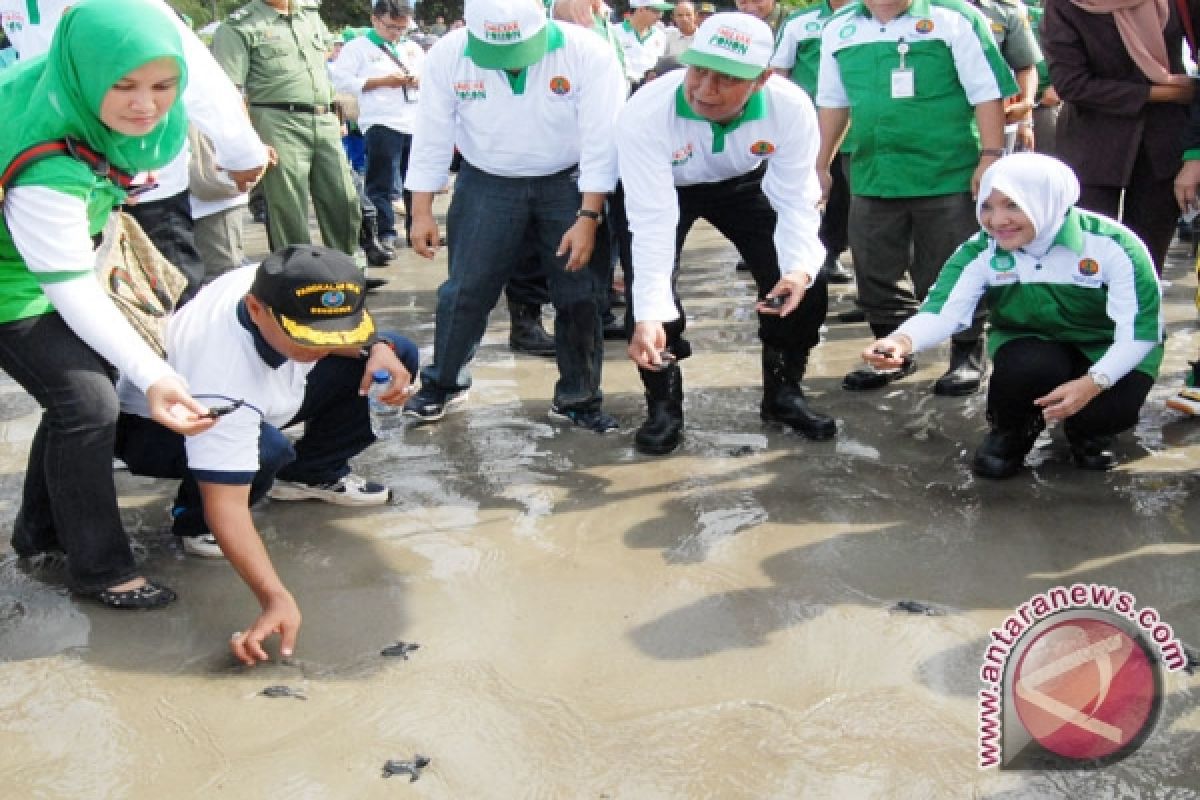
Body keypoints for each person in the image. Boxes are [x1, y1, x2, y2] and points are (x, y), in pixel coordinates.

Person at [0, 0, 217, 609]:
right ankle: (100, 568)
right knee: (88, 399)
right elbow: (66, 283)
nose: (145, 104)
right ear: (86, 76)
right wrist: (156, 374)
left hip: (44, 253)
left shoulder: (72, 82)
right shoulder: (46, 163)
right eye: (123, 86)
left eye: (162, 85)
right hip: (14, 279)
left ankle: (40, 533)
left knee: (84, 385)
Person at [115, 245, 417, 664]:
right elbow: (229, 506)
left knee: (397, 351)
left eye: (337, 333)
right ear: (255, 309)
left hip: (265, 394)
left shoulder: (288, 280)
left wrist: (377, 348)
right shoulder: (219, 373)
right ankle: (191, 521)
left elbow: (346, 334)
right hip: (156, 427)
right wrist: (274, 597)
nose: (324, 346)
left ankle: (312, 473)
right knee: (264, 450)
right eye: (309, 336)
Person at [862, 154, 1164, 478]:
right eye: (987, 207)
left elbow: (1141, 331)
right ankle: (1011, 431)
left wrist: (1093, 383)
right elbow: (942, 310)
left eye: (1013, 206)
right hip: (1033, 342)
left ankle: (1089, 434)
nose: (997, 221)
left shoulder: (1112, 245)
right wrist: (900, 342)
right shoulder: (982, 249)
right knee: (1027, 369)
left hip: (1107, 345)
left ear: (1047, 201)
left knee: (1105, 410)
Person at [402, 0, 626, 433]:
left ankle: (578, 397)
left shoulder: (588, 52)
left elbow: (603, 140)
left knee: (579, 292)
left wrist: (588, 216)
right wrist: (421, 211)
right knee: (465, 290)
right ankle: (443, 384)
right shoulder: (450, 53)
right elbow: (432, 131)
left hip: (570, 181)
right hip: (487, 180)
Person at [620, 12, 835, 454]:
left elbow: (796, 198)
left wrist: (798, 272)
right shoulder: (646, 110)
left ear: (762, 79)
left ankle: (783, 394)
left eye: (726, 79)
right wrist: (649, 313)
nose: (703, 90)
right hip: (665, 188)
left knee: (803, 284)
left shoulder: (790, 107)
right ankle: (664, 406)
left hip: (741, 183)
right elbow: (653, 222)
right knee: (650, 298)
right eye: (699, 70)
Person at [0, 0, 271, 306]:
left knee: (168, 300)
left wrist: (242, 154)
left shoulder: (128, 7)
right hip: (61, 182)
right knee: (83, 297)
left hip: (145, 189)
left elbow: (196, 77)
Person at [815, 0, 1017, 396]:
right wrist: (820, 165)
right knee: (874, 269)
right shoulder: (839, 27)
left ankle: (966, 353)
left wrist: (990, 158)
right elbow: (833, 103)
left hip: (947, 170)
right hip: (873, 172)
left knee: (948, 269)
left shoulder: (955, 17)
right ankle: (892, 353)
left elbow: (987, 93)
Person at [1041, 0, 1199, 273]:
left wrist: (1195, 155)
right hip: (1092, 150)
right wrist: (1164, 92)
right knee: (1087, 265)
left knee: (1146, 264)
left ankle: (1143, 316)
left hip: (1164, 146)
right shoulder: (1064, 6)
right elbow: (1071, 84)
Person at [213, 0, 363, 260]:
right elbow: (228, 93)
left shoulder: (309, 14)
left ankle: (347, 269)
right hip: (278, 120)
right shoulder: (239, 26)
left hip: (323, 117)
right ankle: (297, 275)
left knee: (344, 199)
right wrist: (249, 143)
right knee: (288, 207)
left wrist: (335, 114)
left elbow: (321, 65)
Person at [770, 0, 855, 285]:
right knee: (810, 192)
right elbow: (778, 73)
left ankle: (834, 251)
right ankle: (808, 255)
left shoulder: (870, 17)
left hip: (858, 125)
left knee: (847, 197)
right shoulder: (799, 22)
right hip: (810, 125)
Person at [332, 0, 424, 251]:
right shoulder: (357, 48)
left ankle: (417, 229)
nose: (396, 33)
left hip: (414, 121)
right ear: (375, 20)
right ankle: (384, 233)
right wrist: (381, 81)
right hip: (381, 121)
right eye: (391, 27)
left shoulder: (413, 48)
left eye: (402, 28)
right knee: (380, 183)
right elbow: (341, 81)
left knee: (416, 180)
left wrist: (418, 79)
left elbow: (431, 77)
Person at [614, 0, 672, 87]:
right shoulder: (614, 32)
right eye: (656, 11)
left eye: (661, 11)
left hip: (648, 90)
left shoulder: (660, 36)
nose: (660, 15)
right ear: (640, 9)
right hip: (621, 88)